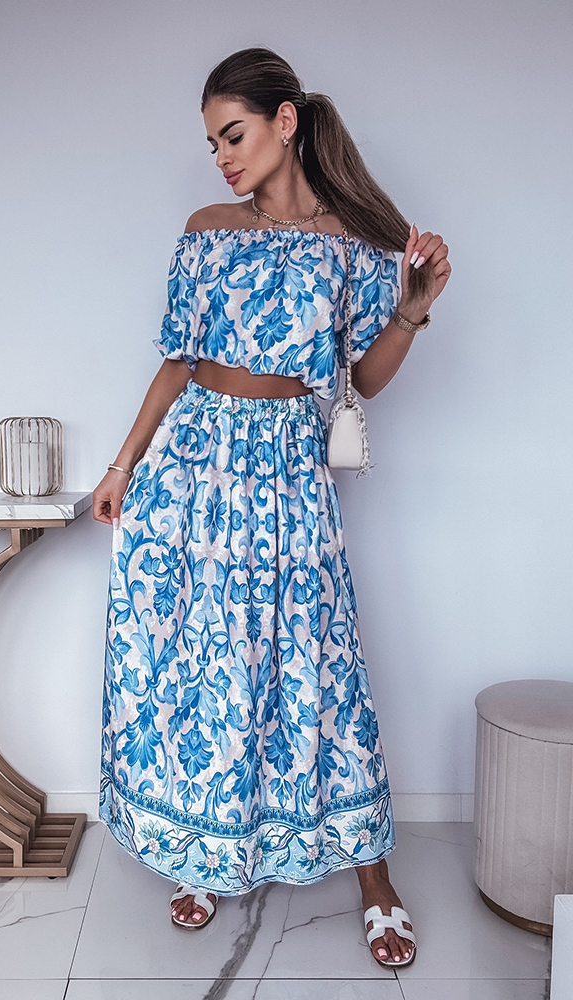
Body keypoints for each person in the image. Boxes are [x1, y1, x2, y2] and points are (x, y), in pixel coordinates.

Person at [92, 47, 451, 968]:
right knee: (204, 660)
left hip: (289, 468)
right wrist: (124, 465)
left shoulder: (352, 244)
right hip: (192, 468)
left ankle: (374, 878)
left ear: (285, 122)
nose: (222, 157)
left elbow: (364, 378)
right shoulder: (205, 230)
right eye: (213, 143)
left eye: (234, 134)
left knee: (316, 657)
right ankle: (203, 854)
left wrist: (411, 311)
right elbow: (177, 361)